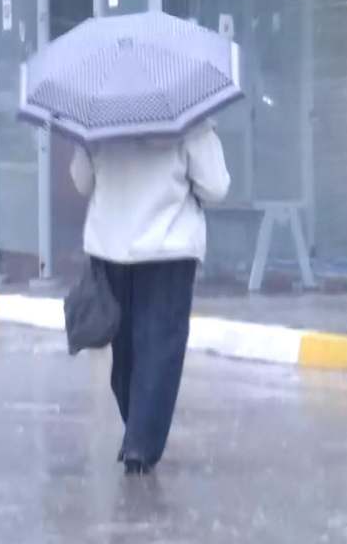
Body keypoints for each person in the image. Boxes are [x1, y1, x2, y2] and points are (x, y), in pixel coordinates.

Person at [71, 121, 230, 475]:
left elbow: (82, 183)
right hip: (168, 250)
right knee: (159, 349)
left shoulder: (98, 119)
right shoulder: (189, 119)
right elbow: (216, 187)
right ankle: (142, 443)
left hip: (111, 248)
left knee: (125, 350)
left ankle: (138, 430)